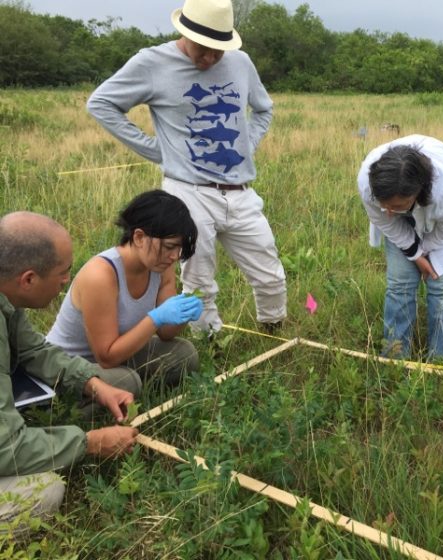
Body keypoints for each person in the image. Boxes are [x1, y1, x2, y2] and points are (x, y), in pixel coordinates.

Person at [86, 0, 286, 334]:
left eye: (217, 52)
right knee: (198, 278)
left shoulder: (241, 62)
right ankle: (208, 343)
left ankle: (273, 331)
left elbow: (264, 109)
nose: (209, 59)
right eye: (202, 50)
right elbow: (102, 103)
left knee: (270, 273)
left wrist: (246, 146)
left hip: (240, 191)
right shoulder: (152, 62)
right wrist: (156, 150)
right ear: (185, 32)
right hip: (188, 190)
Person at [0, 212, 139, 536]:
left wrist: (91, 383)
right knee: (41, 492)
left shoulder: (8, 298)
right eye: (63, 273)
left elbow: (35, 350)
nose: (67, 281)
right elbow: (6, 450)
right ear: (29, 279)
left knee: (114, 380)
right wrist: (88, 443)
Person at [47, 190, 203, 387]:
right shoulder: (101, 275)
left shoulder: (161, 266)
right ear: (139, 237)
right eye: (170, 246)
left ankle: (126, 386)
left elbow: (165, 333)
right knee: (126, 381)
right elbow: (106, 358)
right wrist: (155, 318)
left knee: (184, 354)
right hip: (70, 365)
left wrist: (183, 314)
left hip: (116, 357)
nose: (174, 256)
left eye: (178, 248)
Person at [357, 135, 443, 359]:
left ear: (417, 192)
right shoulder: (368, 182)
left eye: (397, 205)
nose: (389, 211)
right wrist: (414, 252)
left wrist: (428, 253)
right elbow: (384, 219)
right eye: (384, 204)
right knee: (400, 283)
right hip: (403, 222)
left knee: (442, 286)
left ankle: (442, 361)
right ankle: (394, 357)